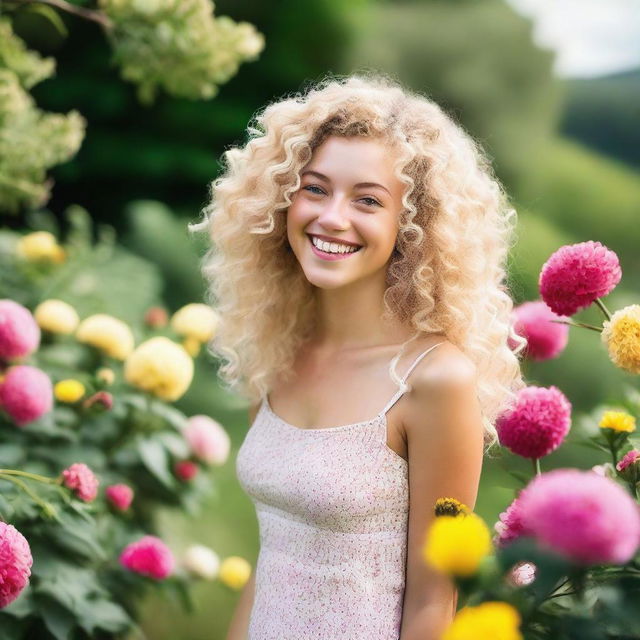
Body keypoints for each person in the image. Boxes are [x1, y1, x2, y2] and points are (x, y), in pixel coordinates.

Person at [189, 72, 526, 640]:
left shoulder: (433, 381)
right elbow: (271, 561)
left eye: (367, 200)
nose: (331, 217)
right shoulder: (279, 357)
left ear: (412, 228)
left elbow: (431, 602)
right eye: (315, 188)